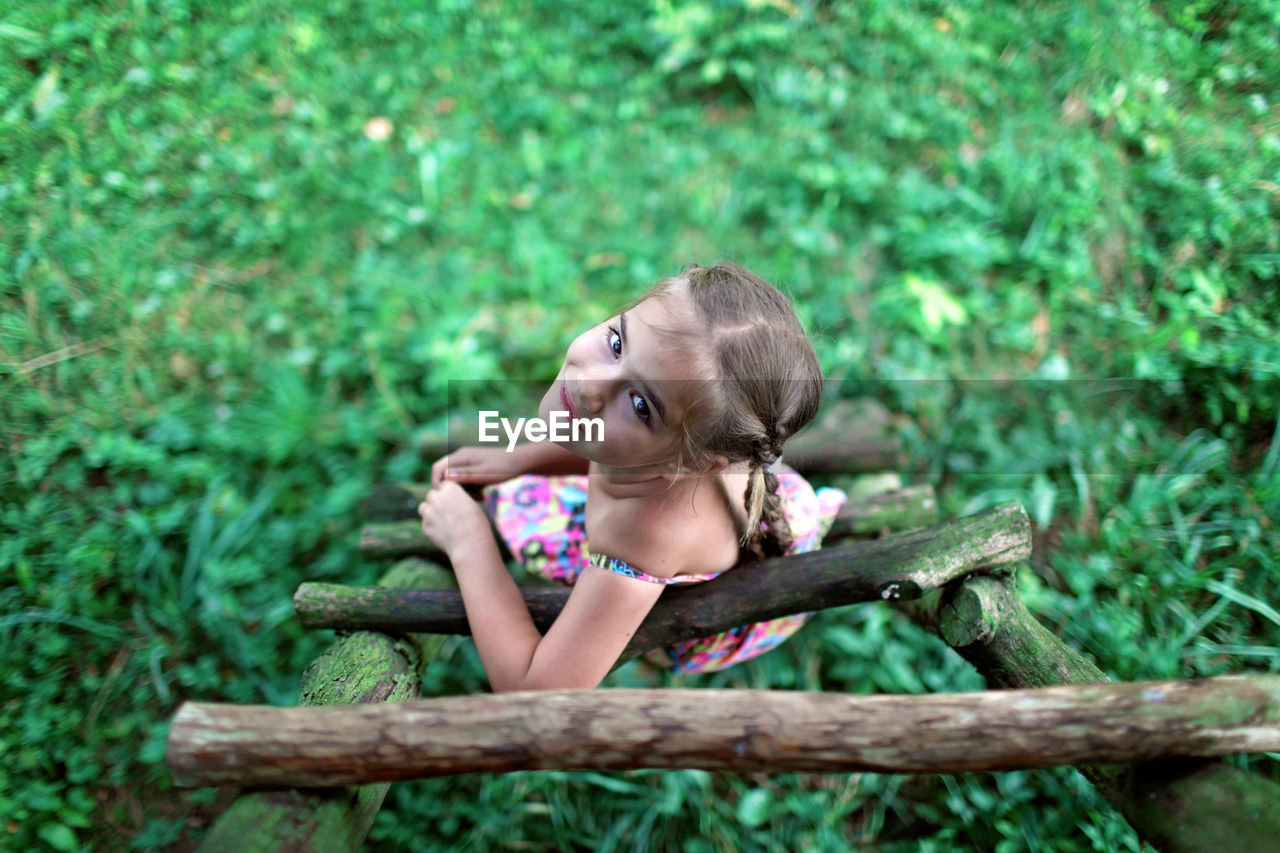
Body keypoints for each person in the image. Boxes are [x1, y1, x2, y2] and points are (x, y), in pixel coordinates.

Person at [417, 262, 846, 691]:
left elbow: (534, 688)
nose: (589, 386)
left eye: (641, 405)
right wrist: (520, 459)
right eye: (617, 342)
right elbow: (598, 438)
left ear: (695, 463)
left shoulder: (641, 536)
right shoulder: (663, 445)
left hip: (684, 580)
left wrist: (469, 542)